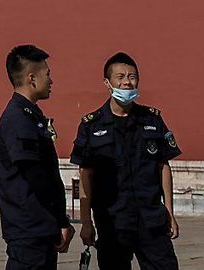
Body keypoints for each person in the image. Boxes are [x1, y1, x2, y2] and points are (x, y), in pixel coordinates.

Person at [71, 52, 181, 269]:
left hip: (151, 219)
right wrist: (86, 222)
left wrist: (169, 212)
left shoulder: (152, 119)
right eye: (120, 77)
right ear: (107, 82)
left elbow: (163, 167)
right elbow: (86, 175)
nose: (127, 82)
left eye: (132, 76)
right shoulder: (91, 125)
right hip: (113, 222)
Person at [0, 45, 75, 270]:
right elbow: (36, 176)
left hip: (39, 228)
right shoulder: (18, 119)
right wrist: (61, 220)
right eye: (47, 74)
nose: (51, 80)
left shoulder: (31, 116)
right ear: (32, 78)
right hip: (29, 230)